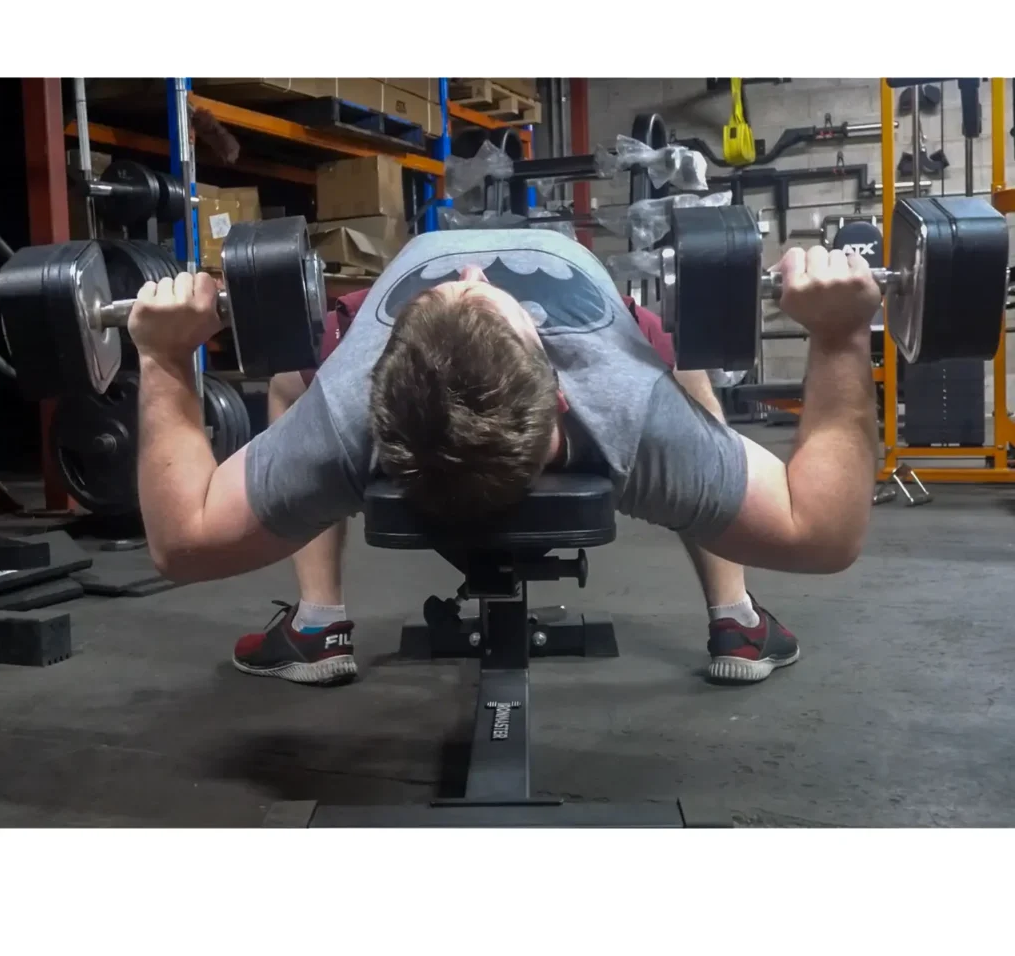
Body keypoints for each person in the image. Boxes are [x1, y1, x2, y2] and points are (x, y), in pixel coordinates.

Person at [128, 230, 880, 688]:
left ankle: (321, 624)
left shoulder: (339, 418)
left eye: (461, 292)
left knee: (292, 381)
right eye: (476, 295)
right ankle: (735, 617)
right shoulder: (629, 412)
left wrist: (162, 356)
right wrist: (841, 335)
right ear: (562, 395)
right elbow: (823, 532)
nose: (472, 274)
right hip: (587, 305)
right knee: (687, 372)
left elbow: (181, 541)